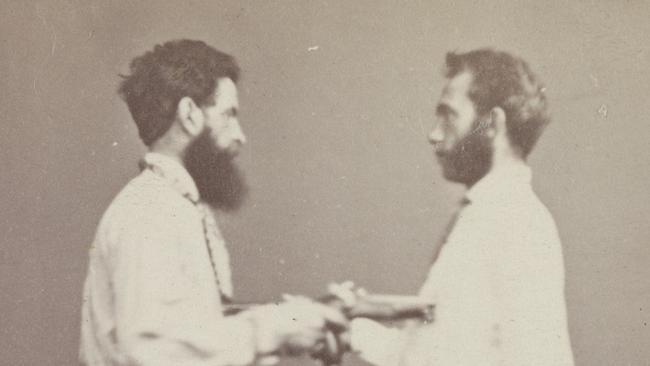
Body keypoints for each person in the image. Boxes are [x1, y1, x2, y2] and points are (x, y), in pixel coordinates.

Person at [79, 39, 346, 366]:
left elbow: (191, 330)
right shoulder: (151, 212)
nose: (240, 135)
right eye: (229, 115)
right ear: (190, 115)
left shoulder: (173, 205)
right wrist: (269, 330)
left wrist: (292, 322)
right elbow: (153, 350)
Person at [337, 49, 575, 365]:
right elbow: (432, 353)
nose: (434, 134)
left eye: (448, 116)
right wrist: (348, 331)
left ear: (491, 124)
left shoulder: (516, 222)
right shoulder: (488, 216)